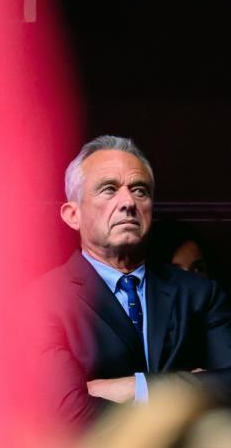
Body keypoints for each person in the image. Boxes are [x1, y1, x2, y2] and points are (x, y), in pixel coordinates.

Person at [34, 135, 231, 431]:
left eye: (139, 190)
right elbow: (68, 413)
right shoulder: (40, 301)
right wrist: (195, 389)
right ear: (72, 214)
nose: (127, 202)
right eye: (108, 189)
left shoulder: (199, 294)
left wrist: (138, 388)